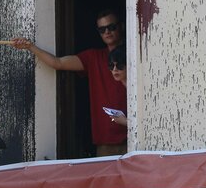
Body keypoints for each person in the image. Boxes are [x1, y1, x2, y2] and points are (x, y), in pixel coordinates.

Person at [12, 9, 127, 157]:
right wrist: (30, 46)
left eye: (111, 27)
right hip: (105, 142)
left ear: (122, 26)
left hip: (134, 135)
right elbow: (57, 63)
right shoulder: (93, 57)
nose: (107, 32)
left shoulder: (134, 53)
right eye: (102, 29)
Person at [107, 45, 128, 127]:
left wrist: (125, 121)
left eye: (120, 66)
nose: (115, 69)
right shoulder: (124, 85)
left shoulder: (136, 87)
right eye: (111, 66)